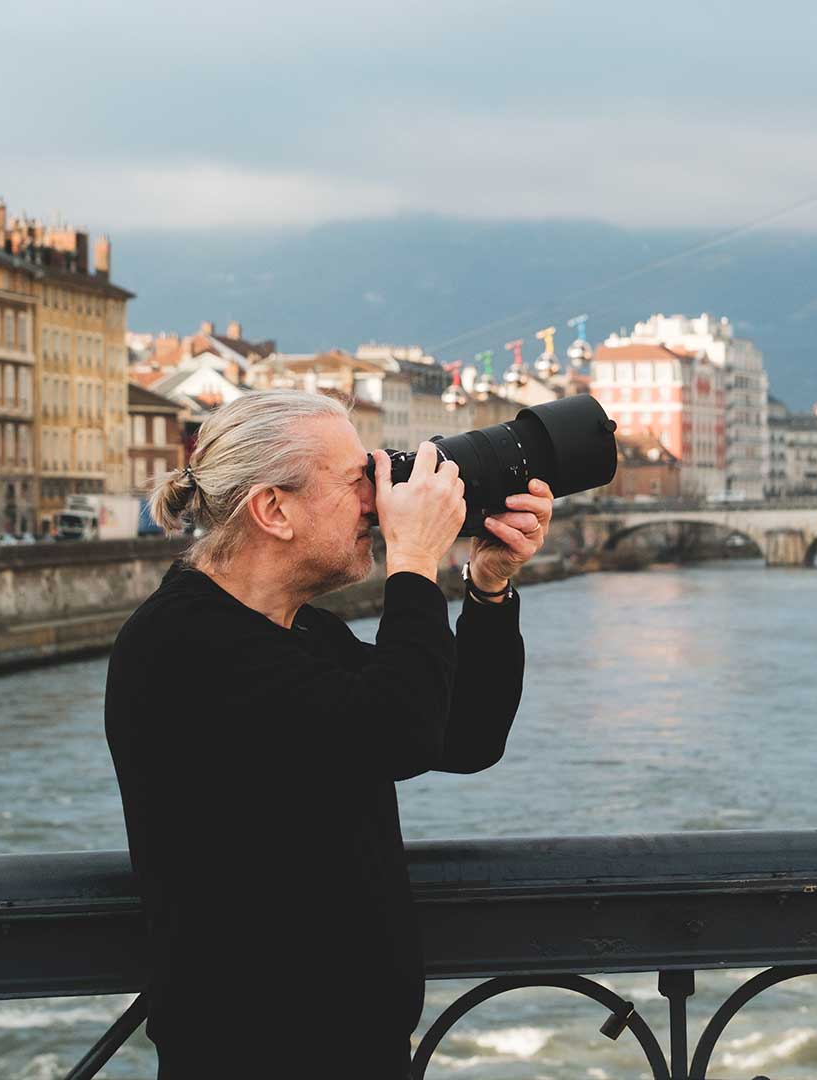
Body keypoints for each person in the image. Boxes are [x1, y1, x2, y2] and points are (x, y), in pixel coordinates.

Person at [105, 389, 552, 1078]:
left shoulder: (303, 631)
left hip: (353, 1049)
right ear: (272, 510)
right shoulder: (182, 644)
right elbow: (397, 735)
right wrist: (412, 564)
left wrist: (488, 587)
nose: (377, 500)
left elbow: (461, 736)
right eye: (356, 482)